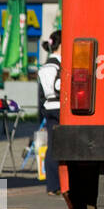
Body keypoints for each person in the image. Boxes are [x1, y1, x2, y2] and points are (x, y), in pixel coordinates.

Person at [38, 31, 63, 194]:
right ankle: (60, 184)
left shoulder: (44, 67)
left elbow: (40, 96)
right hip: (60, 107)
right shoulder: (61, 66)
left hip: (48, 108)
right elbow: (60, 88)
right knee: (62, 146)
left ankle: (52, 185)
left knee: (52, 146)